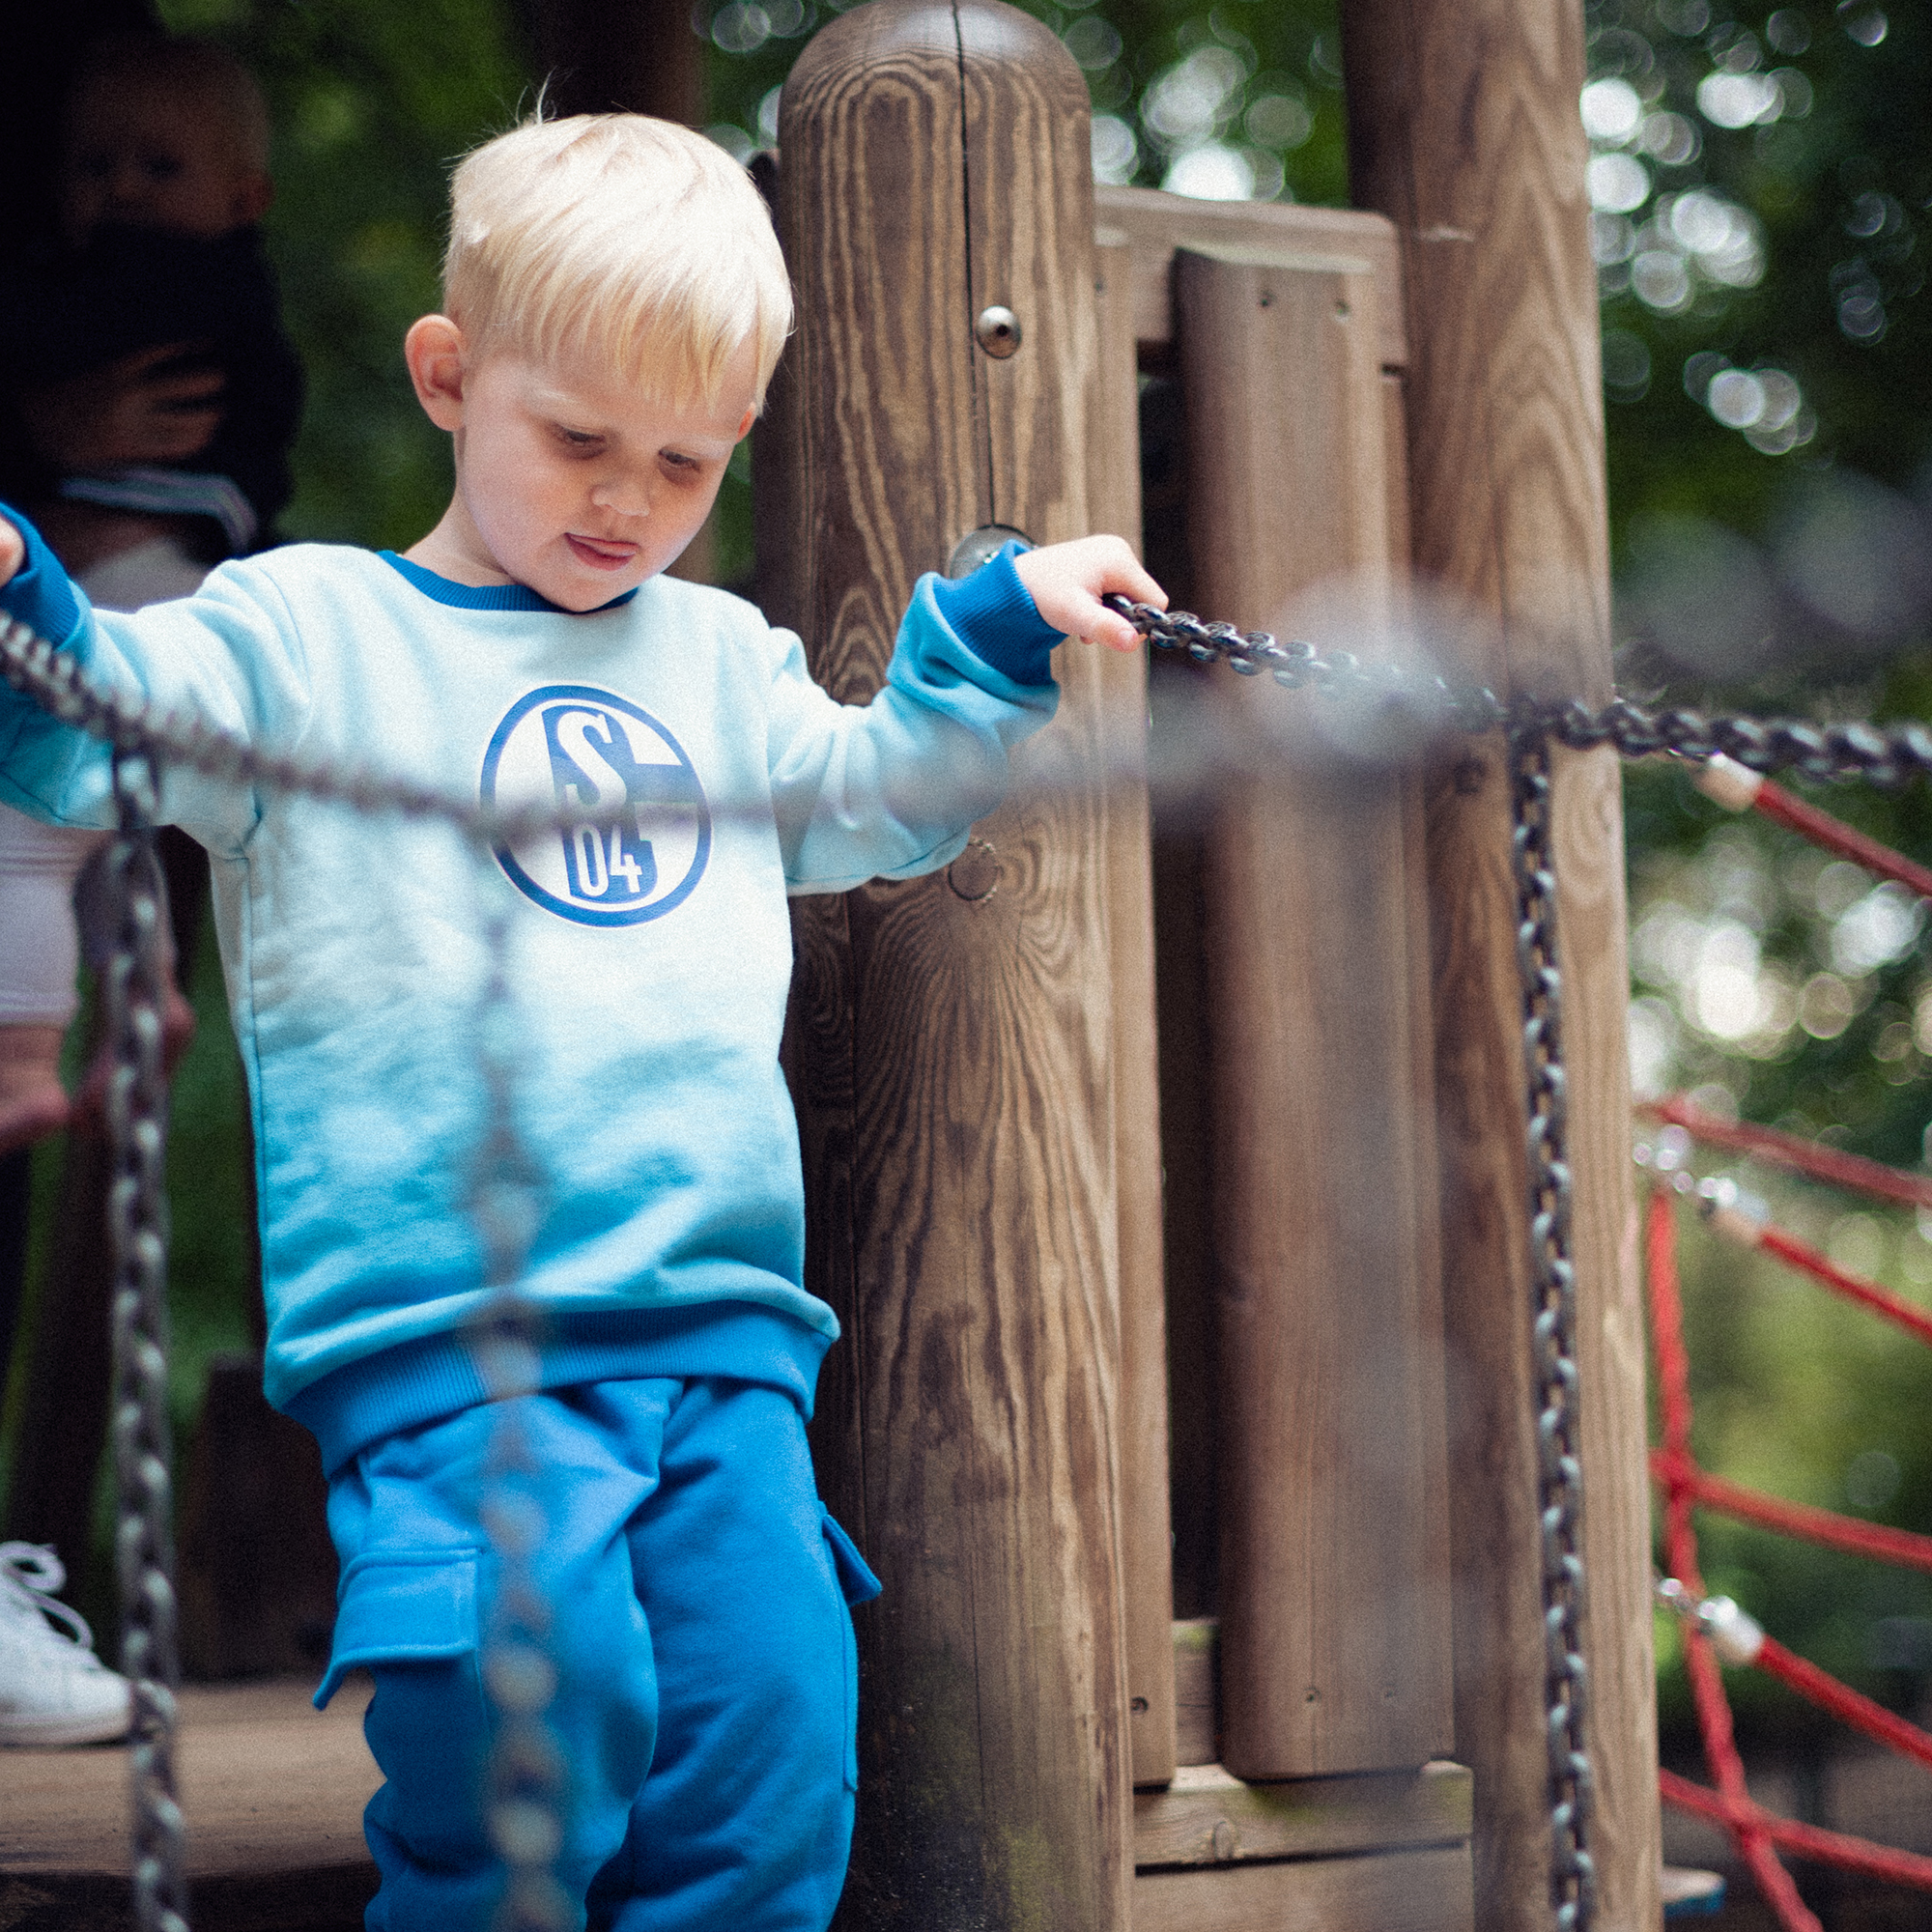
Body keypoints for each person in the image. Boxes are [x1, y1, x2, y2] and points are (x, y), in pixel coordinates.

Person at [0, 114, 1162, 1919]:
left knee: (777, 1751)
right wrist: (23, 598)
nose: (626, 499)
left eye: (685, 462)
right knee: (538, 1726)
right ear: (453, 380)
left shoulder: (714, 663)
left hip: (724, 1338)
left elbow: (879, 795)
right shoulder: (305, 639)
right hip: (452, 1329)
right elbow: (96, 727)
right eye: (581, 439)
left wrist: (996, 636)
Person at [0, 34, 300, 1156]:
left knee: (21, 829)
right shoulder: (228, 295)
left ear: (242, 198)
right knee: (100, 824)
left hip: (126, 590)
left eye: (156, 167)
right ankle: (142, 1006)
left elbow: (42, 329)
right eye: (94, 166)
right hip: (164, 590)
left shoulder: (174, 283)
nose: (121, 189)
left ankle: (20, 1058)